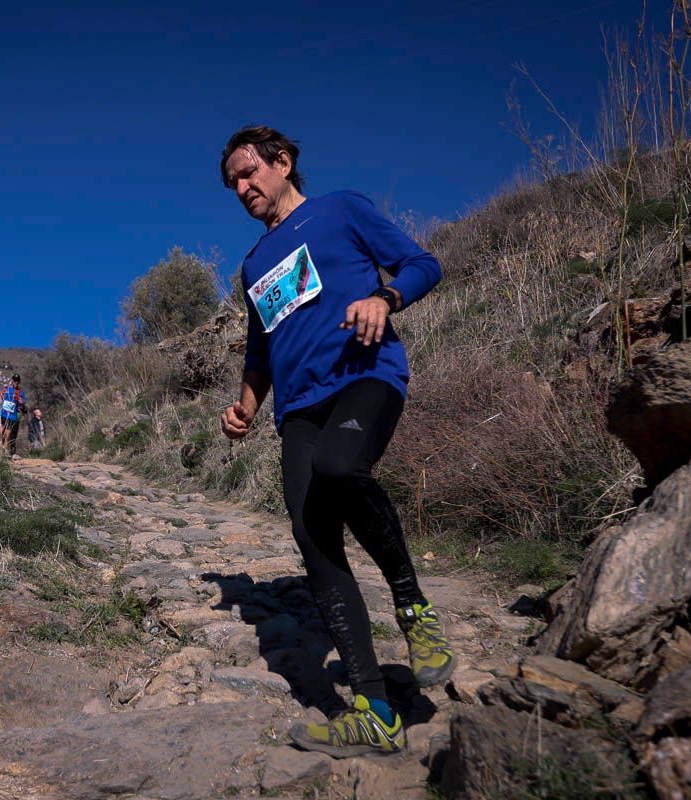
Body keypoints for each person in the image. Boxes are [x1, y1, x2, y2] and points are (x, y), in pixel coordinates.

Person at [218, 125, 454, 758]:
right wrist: (244, 406)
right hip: (297, 407)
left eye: (249, 172)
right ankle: (375, 711)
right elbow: (261, 347)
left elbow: (422, 263)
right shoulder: (253, 266)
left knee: (341, 466)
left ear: (283, 162)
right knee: (313, 538)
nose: (242, 188)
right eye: (233, 183)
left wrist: (385, 297)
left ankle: (413, 609)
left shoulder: (341, 210)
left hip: (363, 376)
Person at [0, 374, 26, 455]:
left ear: (19, 382)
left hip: (12, 417)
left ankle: (3, 453)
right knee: (0, 432)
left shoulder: (20, 393)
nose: (15, 382)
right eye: (14, 380)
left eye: (17, 381)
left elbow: (23, 407)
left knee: (7, 436)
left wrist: (21, 403)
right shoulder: (5, 390)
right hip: (2, 414)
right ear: (11, 380)